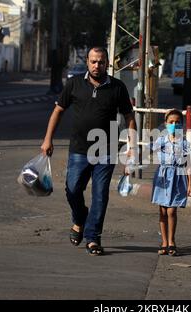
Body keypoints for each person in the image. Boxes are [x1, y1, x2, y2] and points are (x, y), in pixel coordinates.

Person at [41, 46, 137, 256]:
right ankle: (79, 218)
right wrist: (48, 139)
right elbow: (58, 111)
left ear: (107, 64)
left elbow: (129, 116)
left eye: (101, 62)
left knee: (100, 195)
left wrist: (132, 145)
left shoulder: (117, 87)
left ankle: (93, 238)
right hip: (79, 150)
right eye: (93, 61)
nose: (97, 65)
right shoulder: (74, 84)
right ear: (87, 62)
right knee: (73, 188)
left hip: (107, 150)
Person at [151, 109, 191, 256]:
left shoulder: (184, 143)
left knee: (172, 210)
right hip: (163, 178)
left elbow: (189, 165)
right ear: (165, 124)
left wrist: (190, 184)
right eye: (171, 122)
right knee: (162, 210)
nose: (174, 125)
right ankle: (164, 242)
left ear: (181, 125)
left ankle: (172, 241)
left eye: (177, 122)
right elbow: (147, 151)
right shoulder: (161, 140)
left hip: (178, 177)